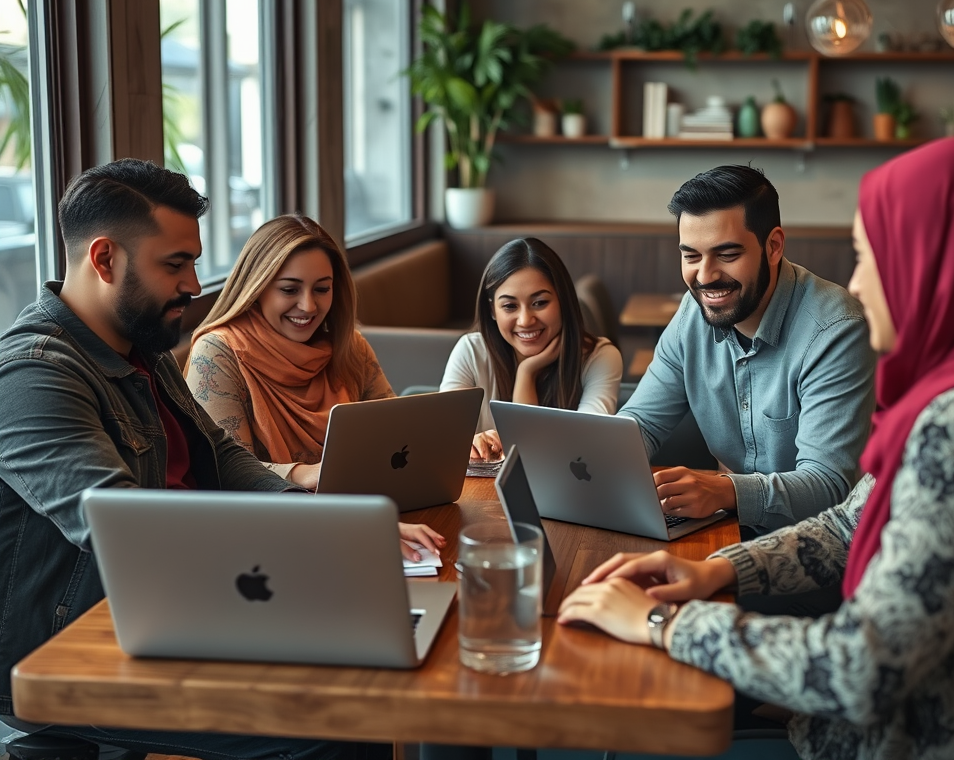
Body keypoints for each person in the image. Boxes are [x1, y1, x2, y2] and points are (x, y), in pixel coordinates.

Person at [557, 137, 954, 759]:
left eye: (872, 255)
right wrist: (715, 570)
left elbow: (862, 668)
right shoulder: (951, 396)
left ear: (940, 262)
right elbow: (846, 525)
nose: (858, 280)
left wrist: (662, 622)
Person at [0, 159, 391, 759]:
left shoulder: (140, 348)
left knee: (369, 673)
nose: (192, 285)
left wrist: (320, 521)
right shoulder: (33, 376)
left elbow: (222, 456)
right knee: (334, 719)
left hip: (172, 608)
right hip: (73, 648)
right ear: (104, 260)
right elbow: (127, 529)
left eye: (193, 263)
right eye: (175, 264)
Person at [618, 165, 875, 536]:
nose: (705, 276)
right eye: (691, 256)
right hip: (723, 534)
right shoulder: (693, 315)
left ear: (773, 246)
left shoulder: (836, 331)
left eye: (726, 254)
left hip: (812, 552)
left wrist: (725, 490)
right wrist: (592, 461)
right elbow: (640, 425)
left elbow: (828, 485)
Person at [185, 214, 441, 561]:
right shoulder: (217, 354)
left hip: (365, 521)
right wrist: (306, 474)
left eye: (322, 289)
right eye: (289, 289)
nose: (308, 306)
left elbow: (397, 438)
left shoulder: (349, 346)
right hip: (266, 547)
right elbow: (223, 474)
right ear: (257, 287)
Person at [440, 237, 622, 460]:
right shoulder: (470, 351)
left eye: (540, 303)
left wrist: (527, 372)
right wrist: (472, 443)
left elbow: (589, 442)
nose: (525, 320)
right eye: (509, 306)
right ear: (492, 311)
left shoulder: (600, 357)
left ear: (563, 301)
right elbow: (445, 440)